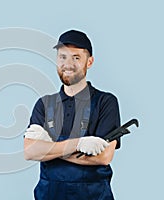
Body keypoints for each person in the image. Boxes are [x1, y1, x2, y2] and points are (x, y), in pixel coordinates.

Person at [24, 30, 121, 200]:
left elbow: (104, 157)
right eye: (62, 57)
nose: (68, 64)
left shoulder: (105, 102)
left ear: (89, 61)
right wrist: (79, 144)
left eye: (76, 58)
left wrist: (49, 145)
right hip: (49, 195)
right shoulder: (44, 104)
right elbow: (30, 151)